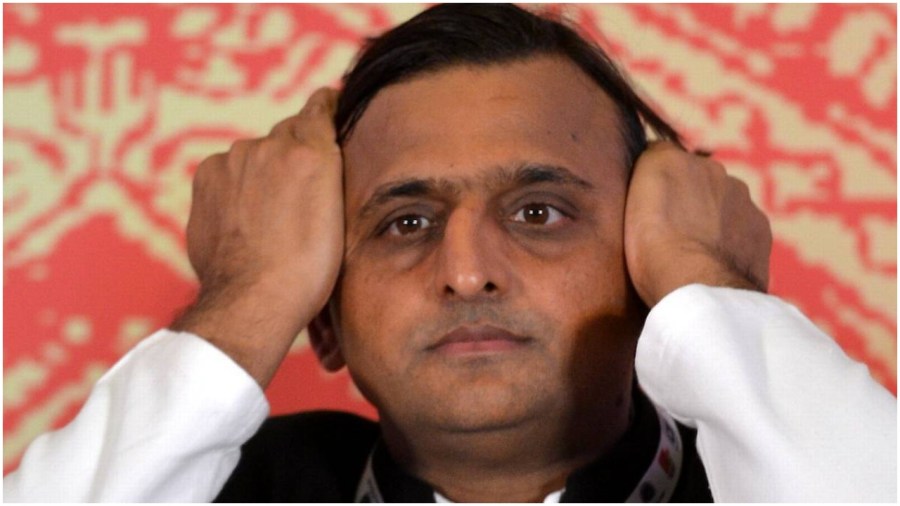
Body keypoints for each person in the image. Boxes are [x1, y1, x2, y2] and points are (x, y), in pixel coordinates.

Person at [4, 4, 895, 503]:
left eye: (539, 212)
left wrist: (712, 286)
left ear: (648, 273)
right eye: (406, 223)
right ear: (324, 318)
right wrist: (246, 296)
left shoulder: (764, 470)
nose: (467, 271)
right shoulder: (234, 485)